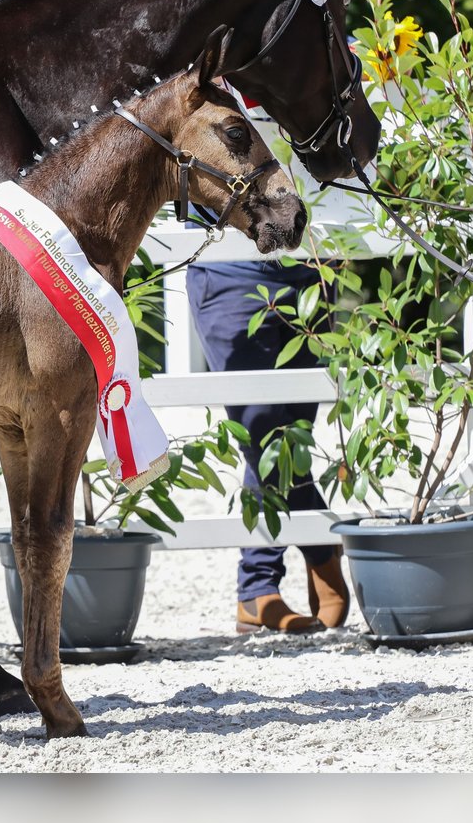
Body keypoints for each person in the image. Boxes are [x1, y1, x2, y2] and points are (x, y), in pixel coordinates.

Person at [185, 88, 349, 635]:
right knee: (261, 428)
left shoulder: (314, 62)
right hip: (228, 264)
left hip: (308, 262)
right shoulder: (206, 76)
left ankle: (259, 592)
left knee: (298, 425)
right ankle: (293, 566)